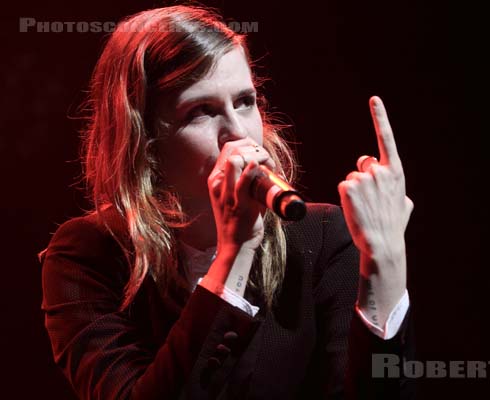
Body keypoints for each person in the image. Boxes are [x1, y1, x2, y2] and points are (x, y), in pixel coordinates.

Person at [39, 5, 415, 399]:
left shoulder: (320, 237)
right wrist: (235, 253)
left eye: (245, 101)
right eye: (201, 111)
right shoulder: (86, 256)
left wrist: (385, 264)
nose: (237, 133)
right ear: (145, 139)